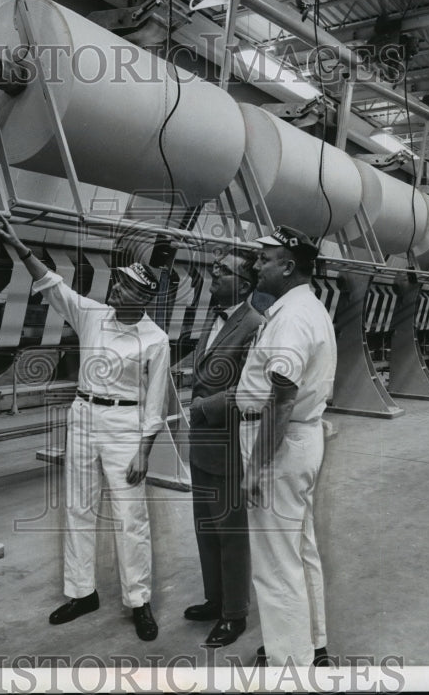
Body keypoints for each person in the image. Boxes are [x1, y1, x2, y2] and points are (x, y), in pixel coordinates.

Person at [0, 216, 171, 642]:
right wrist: (21, 250)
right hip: (83, 416)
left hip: (125, 426)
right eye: (116, 284)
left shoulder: (155, 339)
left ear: (142, 296)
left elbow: (155, 402)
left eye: (123, 286)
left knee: (130, 516)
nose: (113, 290)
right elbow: (55, 287)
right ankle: (81, 592)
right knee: (78, 506)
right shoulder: (94, 314)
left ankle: (139, 600)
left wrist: (144, 451)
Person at [192, 225, 335, 667]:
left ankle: (289, 666)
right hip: (297, 439)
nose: (256, 265)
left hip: (279, 443)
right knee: (300, 549)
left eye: (264, 259)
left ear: (288, 266)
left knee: (276, 566)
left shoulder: (290, 317)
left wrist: (255, 469)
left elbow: (282, 397)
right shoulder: (303, 307)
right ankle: (312, 646)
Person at [184, 249, 263, 649]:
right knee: (205, 527)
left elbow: (249, 389)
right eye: (216, 266)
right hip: (202, 444)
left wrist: (203, 406)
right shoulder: (213, 317)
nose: (214, 273)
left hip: (229, 443)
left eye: (224, 270)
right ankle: (214, 599)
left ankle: (235, 614)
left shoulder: (253, 325)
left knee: (231, 533)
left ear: (245, 284)